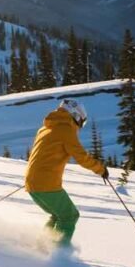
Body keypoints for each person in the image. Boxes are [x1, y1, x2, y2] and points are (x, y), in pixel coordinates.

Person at [25, 99, 108, 248]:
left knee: (58, 215)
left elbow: (41, 153)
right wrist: (100, 169)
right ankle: (59, 254)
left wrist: (35, 177)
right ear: (76, 116)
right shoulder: (66, 130)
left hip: (33, 182)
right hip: (46, 183)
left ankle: (41, 247)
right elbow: (81, 156)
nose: (80, 126)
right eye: (82, 121)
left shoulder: (45, 128)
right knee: (70, 216)